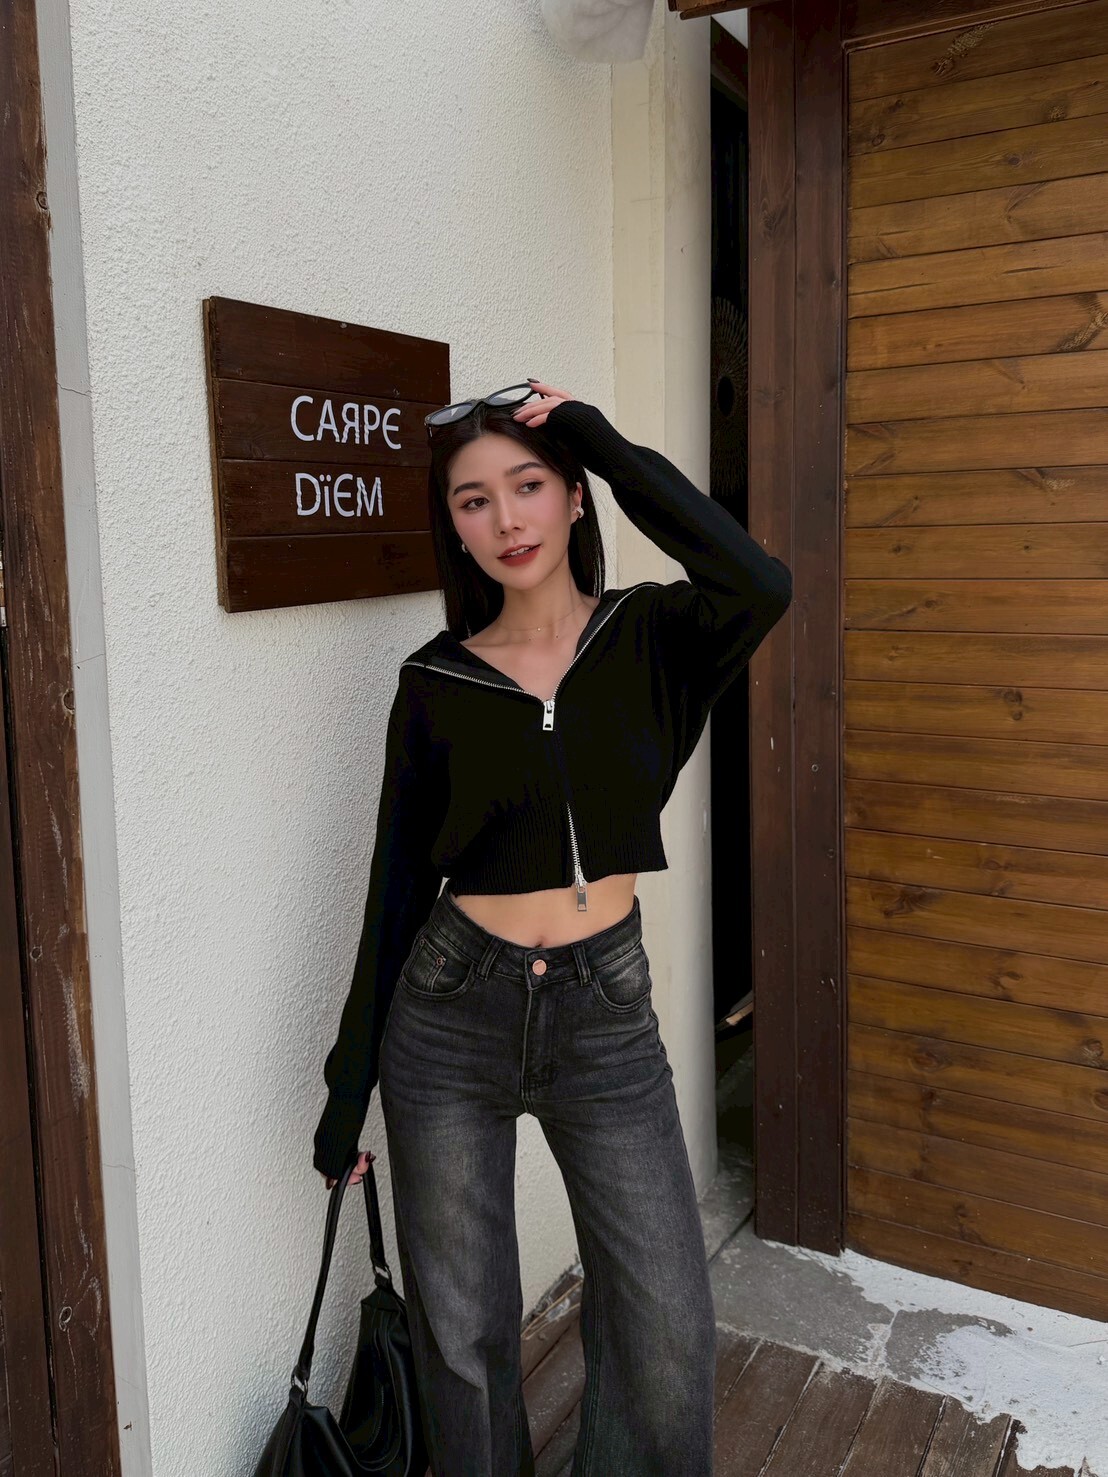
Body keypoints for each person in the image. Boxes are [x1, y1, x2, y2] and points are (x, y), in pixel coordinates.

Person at [312, 377, 792, 1476]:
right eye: (473, 500)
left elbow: (761, 580)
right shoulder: (433, 682)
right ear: (454, 528)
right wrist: (347, 1091)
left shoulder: (655, 636)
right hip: (450, 1012)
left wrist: (592, 435)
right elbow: (395, 887)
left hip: (604, 1010)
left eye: (528, 485)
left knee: (665, 1321)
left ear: (576, 497)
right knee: (464, 1335)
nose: (506, 519)